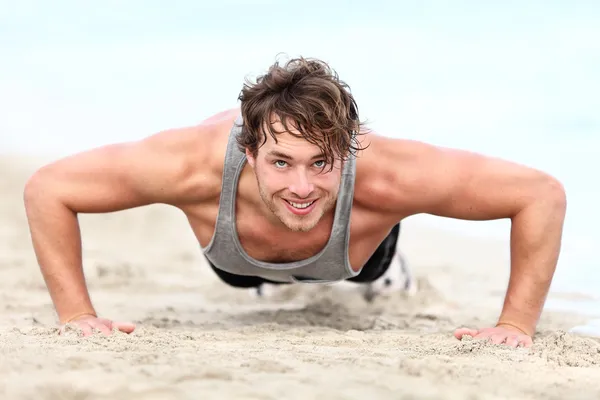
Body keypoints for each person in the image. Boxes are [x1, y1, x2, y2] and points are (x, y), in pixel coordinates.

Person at [23, 56, 566, 348]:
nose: (303, 187)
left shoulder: (390, 175)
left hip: (355, 255)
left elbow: (539, 194)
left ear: (347, 150)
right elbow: (49, 189)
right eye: (281, 162)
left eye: (322, 163)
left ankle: (384, 264)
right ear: (249, 150)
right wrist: (77, 317)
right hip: (235, 261)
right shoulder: (189, 166)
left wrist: (515, 325)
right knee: (244, 278)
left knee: (366, 270)